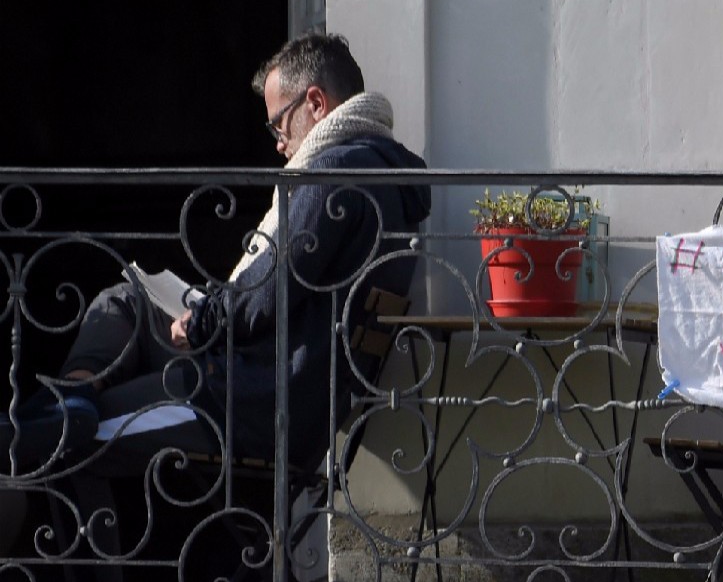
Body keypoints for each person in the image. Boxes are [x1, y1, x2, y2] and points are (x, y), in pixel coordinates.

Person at [0, 32, 432, 477]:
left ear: (316, 104)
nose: (278, 144)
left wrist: (205, 317)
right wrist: (206, 307)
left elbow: (269, 292)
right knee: (124, 301)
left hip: (252, 403)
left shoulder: (334, 173)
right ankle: (68, 401)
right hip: (266, 385)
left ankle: (62, 420)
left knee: (70, 447)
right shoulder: (388, 179)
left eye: (278, 125)